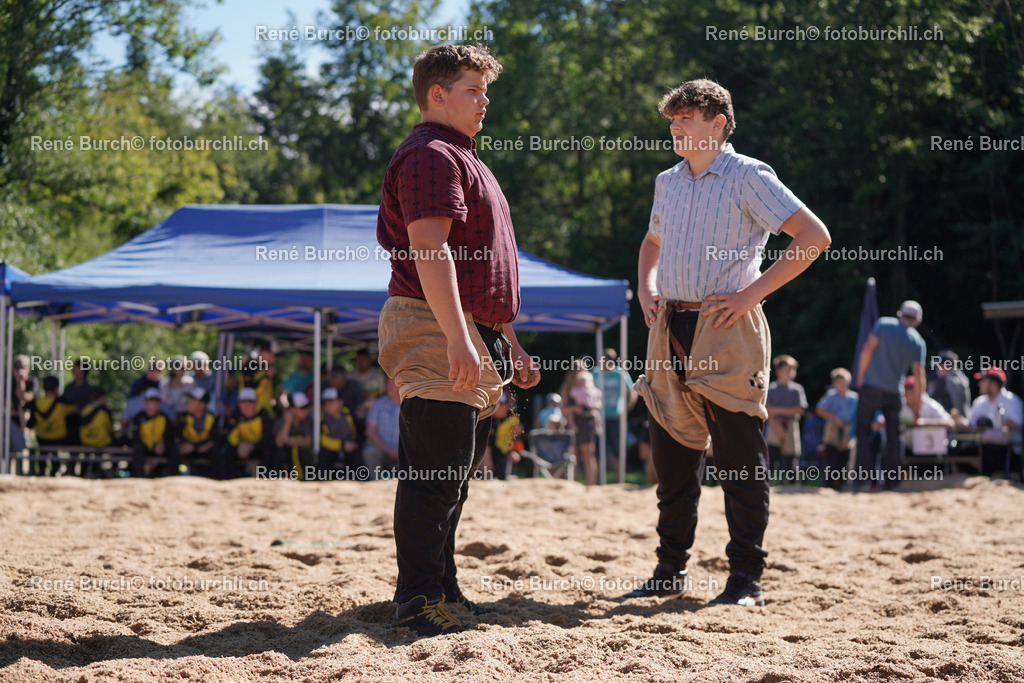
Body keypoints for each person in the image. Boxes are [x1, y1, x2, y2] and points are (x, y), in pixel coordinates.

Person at [630, 78, 830, 607]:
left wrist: (751, 294)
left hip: (728, 325)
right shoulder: (667, 182)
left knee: (741, 462)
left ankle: (746, 580)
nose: (675, 128)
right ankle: (669, 570)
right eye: (671, 120)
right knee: (672, 462)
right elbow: (651, 243)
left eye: (685, 119)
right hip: (669, 327)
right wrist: (647, 290)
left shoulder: (748, 175)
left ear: (718, 124)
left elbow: (814, 237)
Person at [376, 43, 540, 637]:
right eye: (473, 90)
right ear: (436, 94)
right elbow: (430, 250)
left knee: (453, 475)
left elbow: (482, 271)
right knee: (435, 474)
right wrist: (457, 337)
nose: (484, 100)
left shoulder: (461, 157)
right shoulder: (430, 155)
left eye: (485, 90)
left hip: (468, 326)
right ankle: (417, 601)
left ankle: (441, 589)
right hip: (432, 322)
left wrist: (507, 341)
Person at [854, 300, 927, 491]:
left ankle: (865, 480)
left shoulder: (884, 324)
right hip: (894, 392)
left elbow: (867, 350)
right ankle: (892, 482)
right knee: (895, 436)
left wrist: (860, 378)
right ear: (917, 320)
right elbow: (918, 376)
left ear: (900, 313)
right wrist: (917, 407)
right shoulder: (918, 341)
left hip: (870, 387)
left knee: (863, 432)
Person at [965, 367, 1023, 476]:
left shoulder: (1011, 400)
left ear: (993, 383)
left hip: (1006, 449)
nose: (979, 384)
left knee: (989, 456)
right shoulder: (979, 402)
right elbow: (970, 425)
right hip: (983, 446)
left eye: (983, 381)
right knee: (960, 454)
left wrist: (994, 421)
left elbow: (1017, 423)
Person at [592, 349, 636, 470]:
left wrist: (625, 411)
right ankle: (598, 480)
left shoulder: (620, 374)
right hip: (598, 418)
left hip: (616, 417)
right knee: (597, 451)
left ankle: (619, 479)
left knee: (618, 449)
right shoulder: (595, 373)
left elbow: (632, 393)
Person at [815, 368, 858, 490]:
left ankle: (842, 484)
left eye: (844, 382)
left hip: (847, 428)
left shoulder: (853, 398)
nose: (842, 385)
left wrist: (851, 434)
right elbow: (820, 410)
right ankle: (828, 485)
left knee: (845, 458)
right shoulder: (831, 396)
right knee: (830, 458)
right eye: (839, 382)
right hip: (833, 428)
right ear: (834, 383)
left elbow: (855, 418)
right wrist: (834, 418)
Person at [765, 355, 807, 477]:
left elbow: (800, 410)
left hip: (791, 424)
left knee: (791, 455)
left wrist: (777, 410)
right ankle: (769, 481)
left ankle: (790, 483)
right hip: (774, 424)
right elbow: (768, 411)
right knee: (772, 454)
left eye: (793, 370)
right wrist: (778, 427)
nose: (791, 373)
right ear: (778, 372)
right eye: (788, 370)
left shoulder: (797, 389)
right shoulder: (771, 388)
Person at [562, 367, 602, 485]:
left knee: (588, 455)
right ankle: (575, 483)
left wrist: (590, 409)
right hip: (574, 423)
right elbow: (564, 410)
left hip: (586, 424)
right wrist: (574, 409)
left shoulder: (590, 388)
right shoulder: (568, 390)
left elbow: (597, 403)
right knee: (573, 456)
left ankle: (591, 484)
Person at [224, 387, 276, 478]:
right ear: (239, 403)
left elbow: (267, 437)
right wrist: (239, 444)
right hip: (242, 448)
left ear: (256, 403)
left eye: (250, 402)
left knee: (270, 450)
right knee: (228, 451)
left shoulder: (263, 414)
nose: (247, 406)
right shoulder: (235, 415)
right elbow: (231, 436)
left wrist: (252, 446)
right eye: (243, 402)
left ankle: (268, 479)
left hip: (259, 447)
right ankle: (233, 479)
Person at [169, 387, 219, 477]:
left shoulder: (213, 417)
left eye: (193, 400)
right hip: (189, 449)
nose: (189, 403)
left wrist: (195, 446)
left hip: (204, 450)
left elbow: (214, 437)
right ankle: (173, 478)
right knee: (175, 449)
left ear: (202, 404)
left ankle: (219, 481)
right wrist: (187, 445)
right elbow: (178, 435)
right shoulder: (184, 417)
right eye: (189, 400)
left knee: (215, 450)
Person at [362, 378, 401, 479]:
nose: (388, 387)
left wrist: (401, 450)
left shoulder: (410, 405)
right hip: (383, 450)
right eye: (388, 384)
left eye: (392, 384)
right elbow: (370, 431)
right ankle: (377, 484)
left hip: (405, 452)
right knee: (370, 452)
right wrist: (387, 449)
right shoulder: (378, 404)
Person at [316, 387, 358, 477]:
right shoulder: (319, 419)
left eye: (331, 402)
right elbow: (321, 439)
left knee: (358, 454)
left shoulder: (349, 415)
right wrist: (342, 445)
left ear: (340, 402)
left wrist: (353, 444)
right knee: (323, 455)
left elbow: (358, 433)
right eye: (325, 403)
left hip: (349, 449)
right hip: (330, 451)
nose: (328, 405)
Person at [131, 388, 173, 477]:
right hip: (144, 448)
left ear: (160, 403)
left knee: (174, 449)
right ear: (145, 402)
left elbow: (169, 435)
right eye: (151, 401)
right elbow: (136, 437)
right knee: (137, 448)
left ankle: (171, 476)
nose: (153, 404)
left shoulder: (164, 417)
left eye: (156, 401)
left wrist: (163, 443)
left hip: (160, 449)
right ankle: (139, 476)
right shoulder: (138, 417)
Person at [276, 391, 314, 479]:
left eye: (306, 408)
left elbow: (308, 441)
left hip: (302, 459)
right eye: (302, 409)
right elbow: (279, 443)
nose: (306, 411)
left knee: (304, 452)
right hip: (287, 458)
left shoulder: (307, 420)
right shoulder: (284, 419)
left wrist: (289, 441)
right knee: (280, 453)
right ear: (292, 409)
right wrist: (288, 422)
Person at [927, 350, 971, 419]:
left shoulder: (947, 381)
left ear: (946, 366)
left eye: (939, 366)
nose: (937, 369)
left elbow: (929, 401)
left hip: (954, 425)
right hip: (953, 422)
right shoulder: (961, 378)